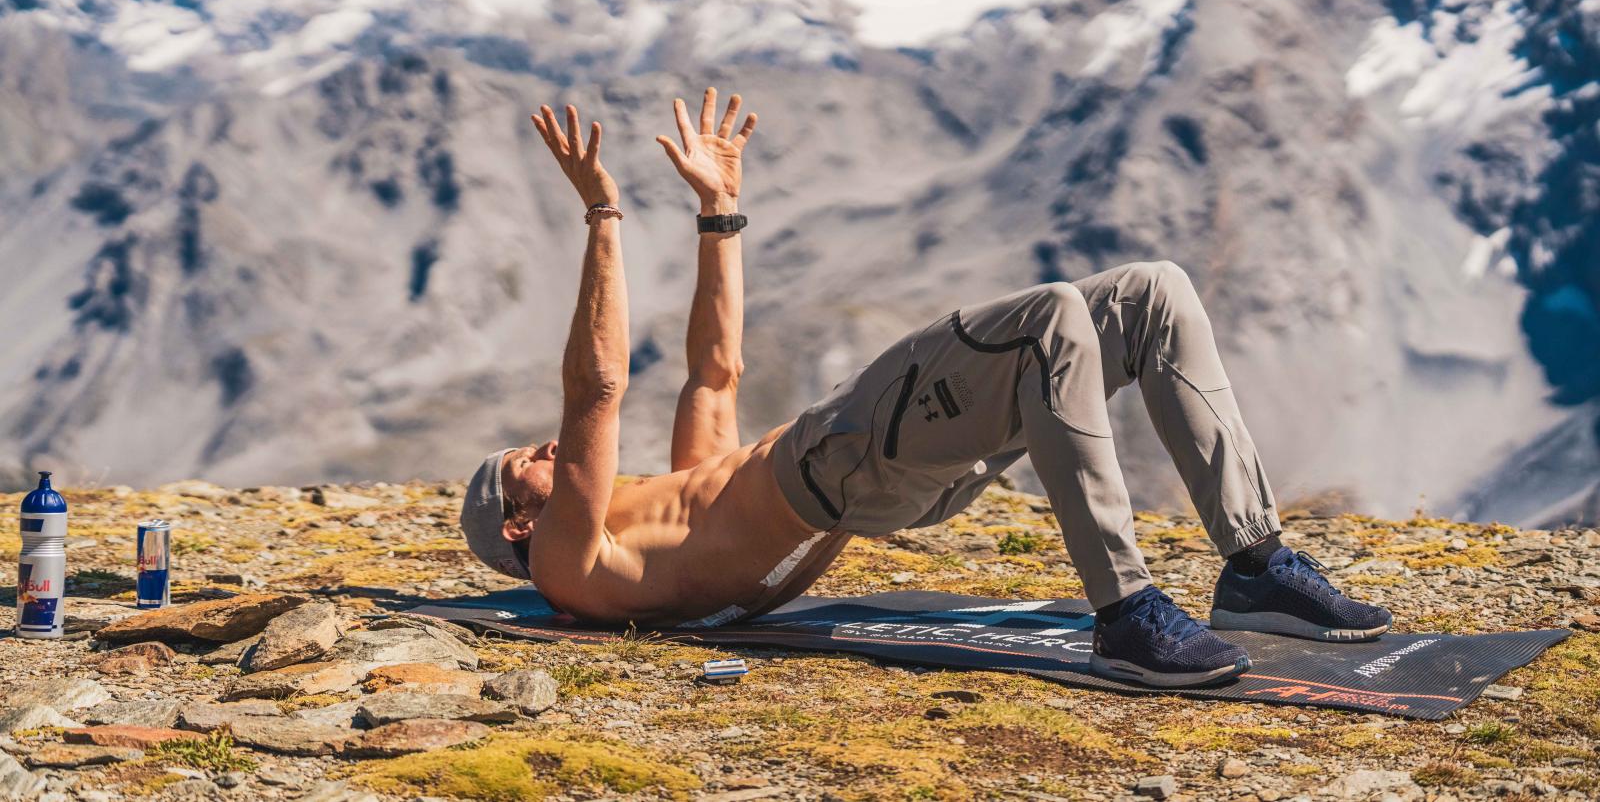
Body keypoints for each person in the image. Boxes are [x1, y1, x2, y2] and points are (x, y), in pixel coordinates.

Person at [460, 90, 1392, 687]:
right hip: (847, 458)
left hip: (891, 474)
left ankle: (1257, 564)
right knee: (1051, 315)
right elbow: (595, 392)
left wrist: (719, 209)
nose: (545, 449)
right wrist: (603, 210)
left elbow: (715, 367)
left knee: (1156, 292)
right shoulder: (570, 569)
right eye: (524, 464)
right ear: (515, 523)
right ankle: (1128, 614)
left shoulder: (668, 520)